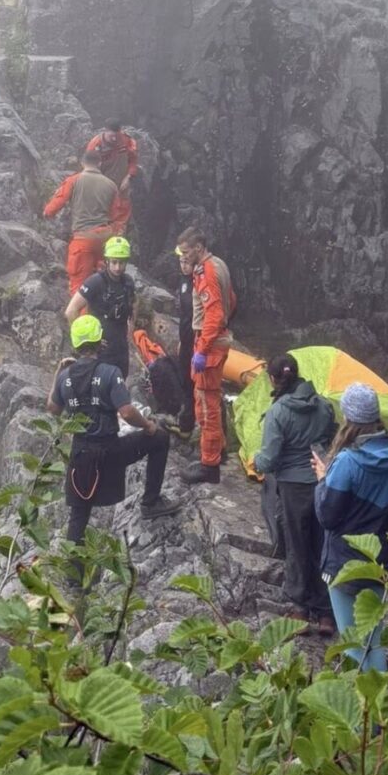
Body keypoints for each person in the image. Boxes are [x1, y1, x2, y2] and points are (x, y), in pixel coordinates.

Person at [47, 315, 179, 556]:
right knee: (160, 438)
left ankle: (73, 579)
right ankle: (150, 502)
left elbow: (53, 409)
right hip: (111, 450)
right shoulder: (110, 373)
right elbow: (127, 412)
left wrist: (58, 373)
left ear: (75, 345)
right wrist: (148, 426)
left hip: (81, 456)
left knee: (78, 515)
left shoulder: (65, 377)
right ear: (101, 342)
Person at [312, 382, 388, 672]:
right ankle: (379, 710)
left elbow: (328, 516)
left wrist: (322, 480)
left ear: (349, 418)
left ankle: (364, 717)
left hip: (344, 563)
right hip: (378, 560)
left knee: (354, 646)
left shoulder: (347, 462)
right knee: (372, 640)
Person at [253, 355, 337, 635]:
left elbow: (269, 459)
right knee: (322, 545)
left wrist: (256, 460)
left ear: (274, 379)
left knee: (296, 545)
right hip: (322, 482)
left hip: (292, 486)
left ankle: (299, 608)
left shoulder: (278, 412)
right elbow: (329, 439)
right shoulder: (323, 406)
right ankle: (326, 613)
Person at [176, 226, 236, 484]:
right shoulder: (219, 264)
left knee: (206, 404)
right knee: (210, 399)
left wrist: (200, 350)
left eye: (187, 252)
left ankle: (209, 465)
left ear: (199, 248)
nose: (184, 257)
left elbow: (214, 314)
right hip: (216, 339)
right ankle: (218, 451)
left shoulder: (206, 272)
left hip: (209, 344)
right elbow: (231, 300)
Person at [42, 149, 118, 296]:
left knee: (80, 287)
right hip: (106, 239)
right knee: (104, 282)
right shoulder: (111, 185)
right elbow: (116, 214)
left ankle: (82, 318)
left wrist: (46, 213)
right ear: (100, 164)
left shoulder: (74, 180)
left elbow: (57, 202)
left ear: (82, 163)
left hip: (84, 239)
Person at [65, 236, 135, 378]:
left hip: (120, 348)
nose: (117, 267)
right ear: (107, 261)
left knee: (119, 383)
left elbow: (134, 302)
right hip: (100, 351)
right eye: (114, 262)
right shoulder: (95, 282)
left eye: (121, 263)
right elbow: (71, 311)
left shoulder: (128, 282)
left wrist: (130, 330)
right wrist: (85, 340)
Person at [86, 119, 138, 235]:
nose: (114, 139)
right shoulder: (95, 144)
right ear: (105, 132)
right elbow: (89, 168)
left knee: (123, 210)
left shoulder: (126, 140)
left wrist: (129, 177)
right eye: (111, 136)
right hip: (102, 185)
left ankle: (120, 235)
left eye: (117, 135)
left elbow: (133, 160)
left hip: (122, 184)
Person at [175, 245, 196, 434]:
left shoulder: (201, 281)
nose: (183, 266)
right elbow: (184, 313)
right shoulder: (183, 281)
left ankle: (191, 422)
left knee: (198, 383)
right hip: (186, 338)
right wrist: (182, 339)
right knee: (185, 380)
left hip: (198, 341)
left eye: (187, 262)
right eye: (181, 262)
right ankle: (186, 422)